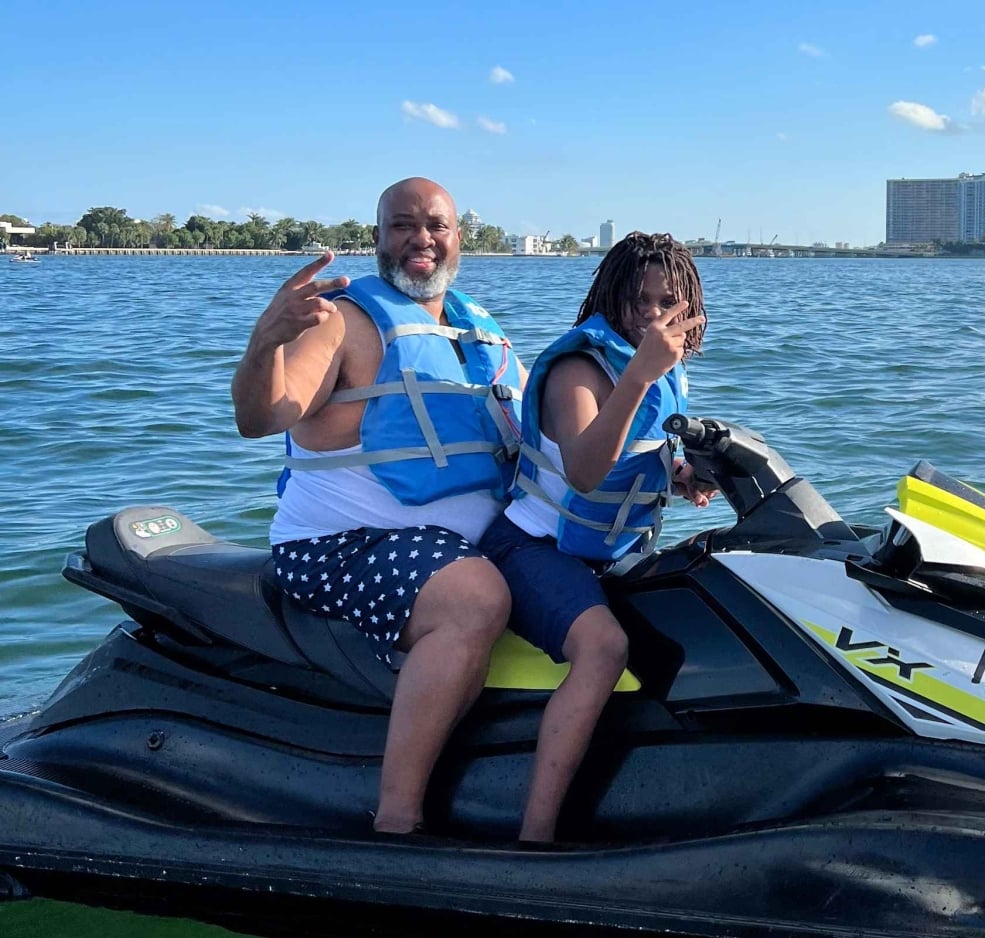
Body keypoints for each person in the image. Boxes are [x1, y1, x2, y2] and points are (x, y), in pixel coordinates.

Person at [231, 177, 523, 835]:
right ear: (377, 238)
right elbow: (261, 417)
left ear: (459, 238)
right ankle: (397, 818)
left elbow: (542, 434)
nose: (422, 238)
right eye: (403, 225)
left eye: (437, 225)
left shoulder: (478, 330)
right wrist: (266, 342)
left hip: (468, 542)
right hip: (339, 544)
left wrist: (664, 465)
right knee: (475, 600)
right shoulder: (338, 321)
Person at [479, 231, 713, 843]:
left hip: (608, 555)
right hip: (531, 548)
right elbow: (584, 472)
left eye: (669, 303)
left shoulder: (660, 371)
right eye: (640, 301)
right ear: (612, 299)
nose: (654, 317)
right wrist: (638, 375)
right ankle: (536, 836)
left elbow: (635, 450)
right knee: (604, 648)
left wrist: (681, 474)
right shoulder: (579, 372)